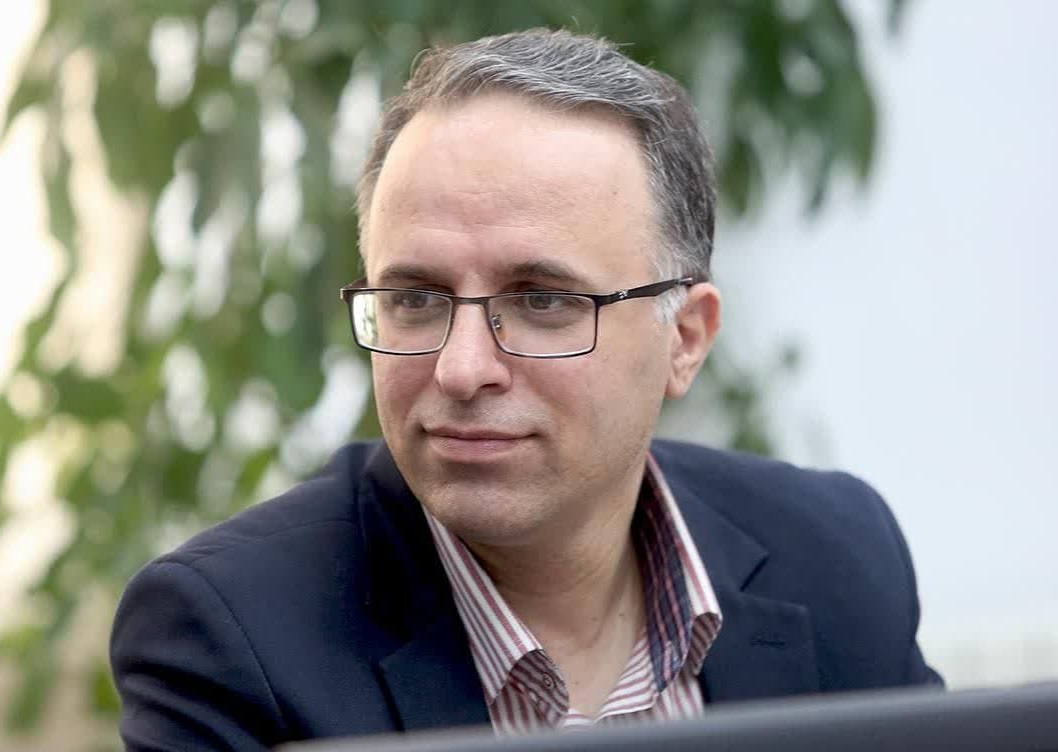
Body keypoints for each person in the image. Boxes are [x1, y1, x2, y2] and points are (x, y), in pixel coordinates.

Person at [110, 28, 942, 751]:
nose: (462, 368)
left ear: (685, 339)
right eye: (416, 299)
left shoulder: (834, 557)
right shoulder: (233, 639)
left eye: (543, 301)